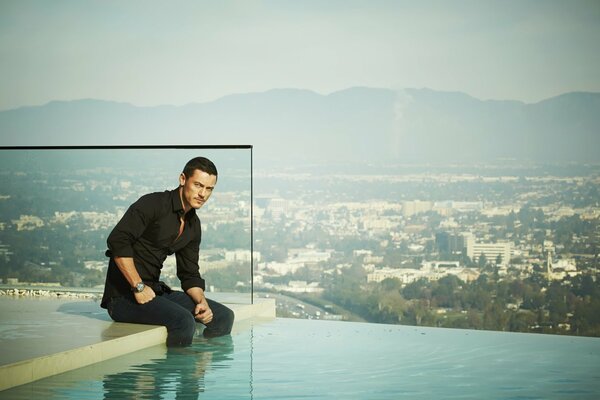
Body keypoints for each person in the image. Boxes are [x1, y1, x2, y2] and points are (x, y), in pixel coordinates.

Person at [100, 156, 234, 346]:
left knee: (224, 317)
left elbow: (189, 274)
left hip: (155, 291)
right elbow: (117, 241)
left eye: (209, 188)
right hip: (123, 297)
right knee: (183, 321)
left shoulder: (193, 225)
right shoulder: (153, 204)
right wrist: (138, 287)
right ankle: (178, 369)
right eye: (198, 185)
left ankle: (198, 363)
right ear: (182, 179)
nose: (203, 194)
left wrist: (201, 302)